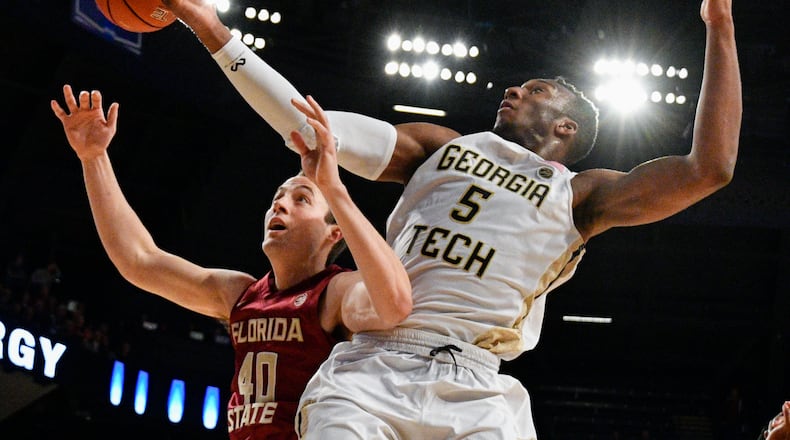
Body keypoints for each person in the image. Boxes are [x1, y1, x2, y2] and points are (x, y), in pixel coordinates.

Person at [162, 0, 741, 438]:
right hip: (373, 364)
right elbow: (305, 124)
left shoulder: (582, 195)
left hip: (476, 385)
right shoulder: (436, 147)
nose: (513, 88)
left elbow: (709, 169)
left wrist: (719, 24)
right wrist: (210, 29)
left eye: (535, 90)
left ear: (566, 128)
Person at [50, 84, 412, 439]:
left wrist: (334, 188)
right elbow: (138, 259)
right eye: (277, 197)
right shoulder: (240, 293)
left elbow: (394, 303)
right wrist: (93, 157)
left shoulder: (335, 292)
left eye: (301, 199)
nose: (279, 204)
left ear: (333, 233)